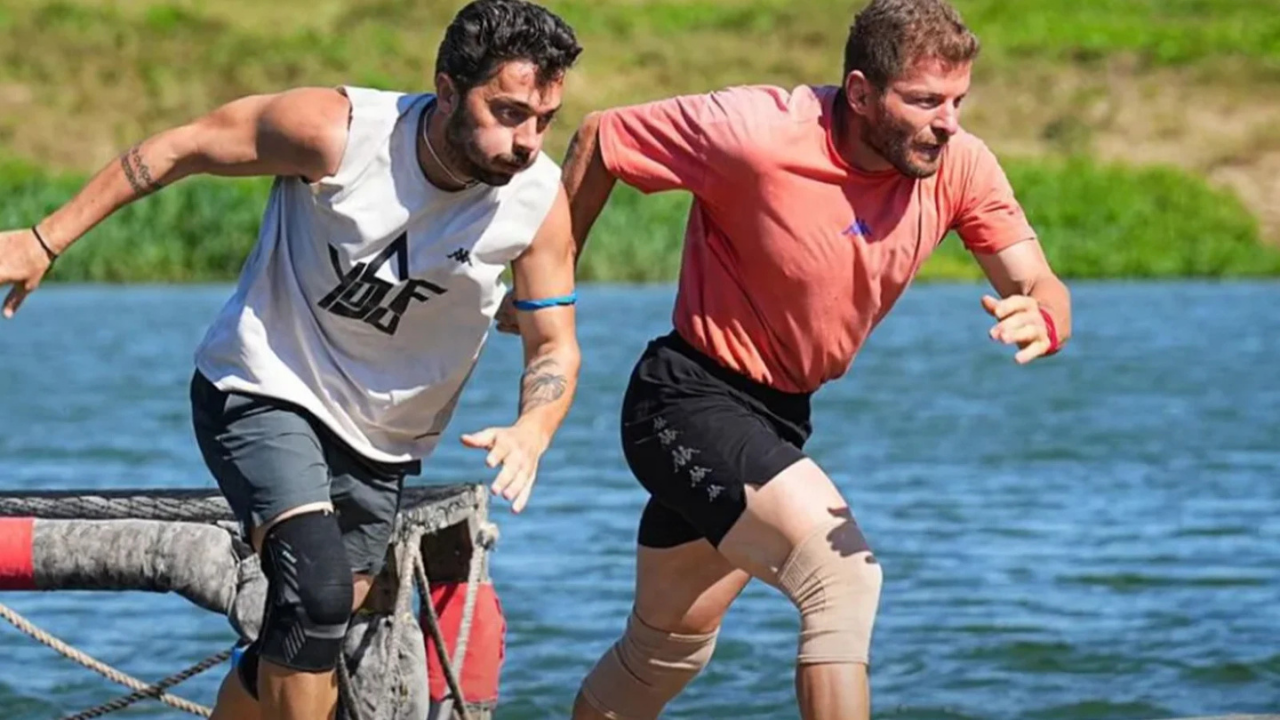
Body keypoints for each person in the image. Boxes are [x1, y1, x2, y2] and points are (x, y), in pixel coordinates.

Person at [0, 1, 583, 718]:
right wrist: (44, 240)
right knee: (319, 593)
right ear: (446, 89)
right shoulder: (338, 134)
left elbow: (554, 345)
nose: (527, 141)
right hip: (262, 384)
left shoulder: (537, 200)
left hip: (381, 438)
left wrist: (534, 427)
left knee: (312, 626)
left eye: (544, 120)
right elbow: (185, 145)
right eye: (509, 113)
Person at [551, 0, 1073, 718]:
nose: (947, 122)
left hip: (778, 418)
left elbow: (1039, 282)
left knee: (666, 650)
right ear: (860, 92)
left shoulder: (959, 166)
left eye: (957, 100)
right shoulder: (756, 133)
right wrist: (546, 292)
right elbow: (604, 138)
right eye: (925, 101)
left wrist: (1042, 315)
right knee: (841, 577)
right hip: (685, 401)